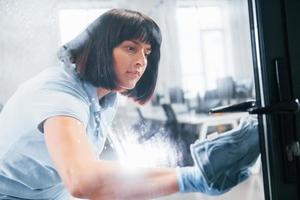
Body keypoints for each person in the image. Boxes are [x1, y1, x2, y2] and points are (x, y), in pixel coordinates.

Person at [0, 9, 259, 199]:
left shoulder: (107, 96)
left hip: (52, 193)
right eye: (131, 48)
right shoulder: (59, 94)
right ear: (101, 48)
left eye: (146, 52)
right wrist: (189, 178)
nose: (142, 62)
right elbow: (82, 180)